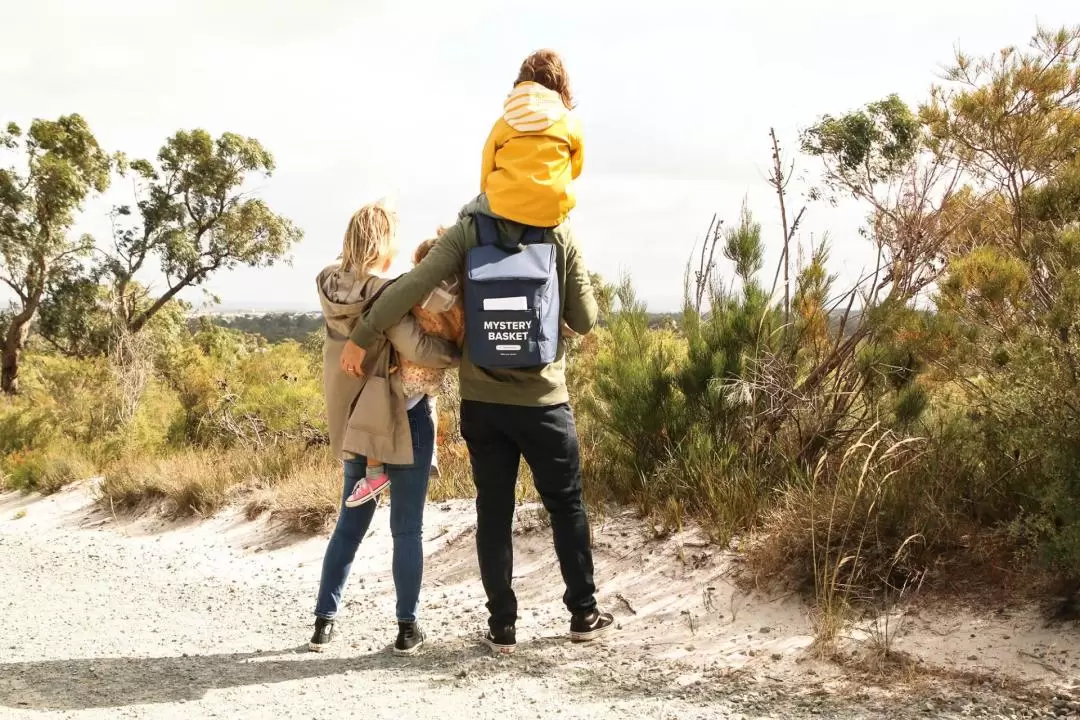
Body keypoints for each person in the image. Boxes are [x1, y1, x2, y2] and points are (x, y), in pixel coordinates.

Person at [339, 50, 613, 656]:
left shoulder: (471, 226)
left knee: (494, 510)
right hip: (545, 400)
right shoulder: (561, 228)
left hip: (483, 401)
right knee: (566, 505)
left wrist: (363, 336)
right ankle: (582, 614)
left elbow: (409, 288)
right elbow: (584, 319)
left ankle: (502, 627)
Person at [311, 200, 459, 655]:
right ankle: (406, 628)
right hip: (402, 416)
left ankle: (323, 622)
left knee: (349, 526)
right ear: (385, 242)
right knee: (407, 529)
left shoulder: (328, 284)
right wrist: (460, 356)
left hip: (353, 420)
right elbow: (417, 345)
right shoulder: (386, 292)